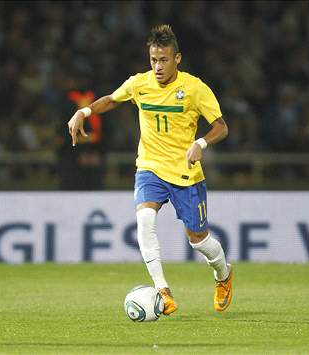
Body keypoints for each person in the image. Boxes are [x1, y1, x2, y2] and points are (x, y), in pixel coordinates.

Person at [67, 25, 233, 315]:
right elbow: (111, 99)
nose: (157, 66)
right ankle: (162, 291)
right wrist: (84, 111)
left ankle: (223, 275)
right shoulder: (139, 84)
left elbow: (221, 127)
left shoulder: (195, 88)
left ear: (177, 58)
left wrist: (201, 144)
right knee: (144, 219)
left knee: (199, 240)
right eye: (153, 60)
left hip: (186, 173)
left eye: (164, 60)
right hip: (150, 167)